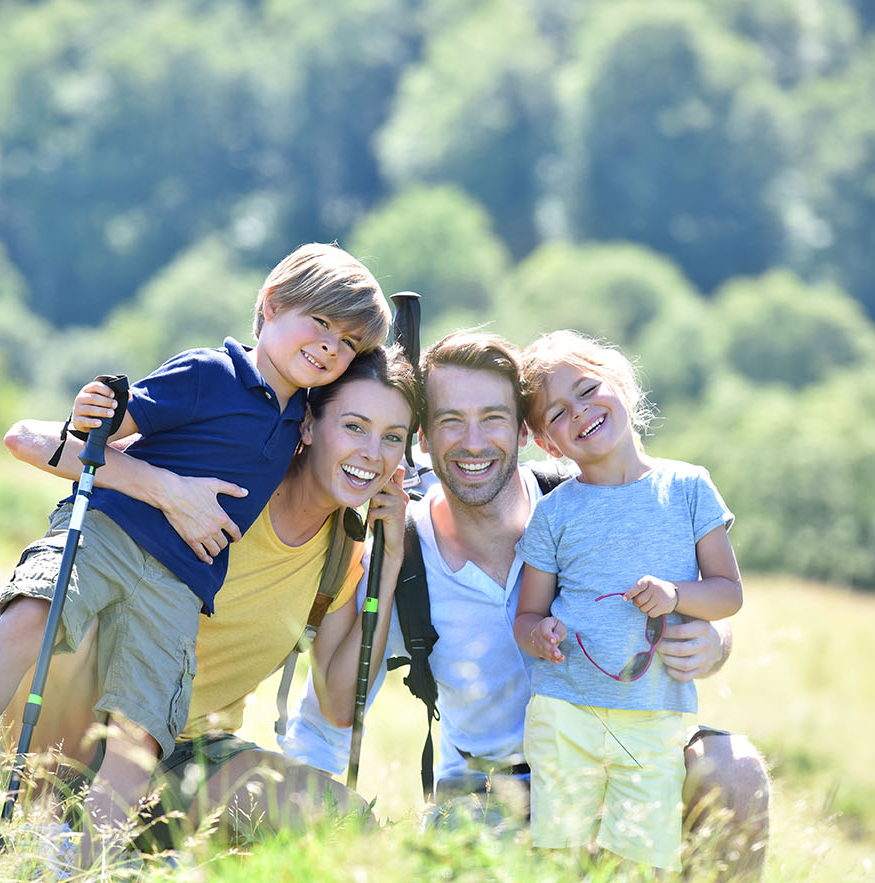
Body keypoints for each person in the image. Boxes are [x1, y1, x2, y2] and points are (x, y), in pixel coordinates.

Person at [0, 243, 390, 863]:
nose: (331, 346)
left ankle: (86, 860)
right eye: (320, 323)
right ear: (269, 306)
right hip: (114, 534)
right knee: (34, 615)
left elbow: (366, 436)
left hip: (179, 582)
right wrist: (112, 432)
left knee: (141, 726)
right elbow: (98, 432)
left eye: (349, 342)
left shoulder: (304, 418)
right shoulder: (208, 373)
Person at [282, 330, 769, 879]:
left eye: (493, 418)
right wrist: (389, 566)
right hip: (487, 793)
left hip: (620, 751)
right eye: (450, 421)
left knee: (736, 772)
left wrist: (714, 641)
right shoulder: (404, 549)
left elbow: (701, 594)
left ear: (523, 431)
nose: (473, 442)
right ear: (422, 437)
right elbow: (335, 710)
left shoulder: (588, 497)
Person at [0, 345, 420, 856]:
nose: (372, 453)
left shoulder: (343, 553)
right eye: (354, 427)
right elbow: (32, 439)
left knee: (347, 824)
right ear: (307, 424)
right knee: (63, 618)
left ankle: (136, 844)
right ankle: (44, 823)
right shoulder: (226, 477)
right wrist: (164, 488)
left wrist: (390, 562)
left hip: (190, 754)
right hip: (87, 727)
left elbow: (337, 701)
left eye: (392, 438)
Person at [513, 329, 743, 871]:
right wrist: (537, 634)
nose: (580, 412)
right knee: (560, 856)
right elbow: (528, 613)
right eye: (558, 414)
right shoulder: (554, 513)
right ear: (549, 445)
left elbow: (728, 594)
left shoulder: (688, 488)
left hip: (655, 712)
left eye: (589, 389)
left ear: (621, 382)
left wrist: (675, 594)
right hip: (564, 707)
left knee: (640, 858)